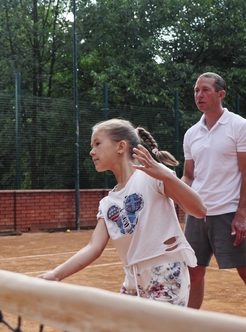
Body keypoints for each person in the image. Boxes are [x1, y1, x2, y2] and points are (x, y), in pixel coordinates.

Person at [38, 118, 206, 306]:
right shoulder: (108, 203)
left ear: (121, 147)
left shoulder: (151, 177)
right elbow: (93, 247)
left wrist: (165, 174)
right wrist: (55, 275)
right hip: (133, 280)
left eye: (98, 143)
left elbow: (199, 210)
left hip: (166, 274)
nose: (91, 151)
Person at [182, 72, 246, 320]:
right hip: (196, 216)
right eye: (196, 90)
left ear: (221, 94)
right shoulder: (191, 134)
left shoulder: (240, 127)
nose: (199, 95)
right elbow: (189, 175)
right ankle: (185, 326)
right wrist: (180, 197)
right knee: (194, 276)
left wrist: (241, 215)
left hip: (228, 215)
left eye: (206, 90)